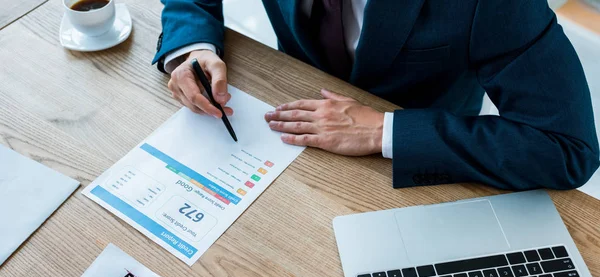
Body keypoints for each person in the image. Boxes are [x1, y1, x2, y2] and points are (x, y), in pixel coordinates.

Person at [152, 0, 599, 190]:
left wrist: (385, 130)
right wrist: (190, 45)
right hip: (288, 121)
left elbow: (568, 147)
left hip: (423, 161)